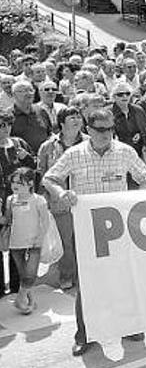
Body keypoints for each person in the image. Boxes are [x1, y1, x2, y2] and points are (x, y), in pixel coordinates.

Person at [42, 108, 146, 356]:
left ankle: (130, 326)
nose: (106, 134)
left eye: (110, 129)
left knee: (124, 278)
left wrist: (134, 202)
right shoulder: (74, 154)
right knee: (87, 284)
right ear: (89, 130)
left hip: (118, 229)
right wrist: (62, 193)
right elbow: (49, 179)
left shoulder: (125, 151)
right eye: (100, 130)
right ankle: (84, 335)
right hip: (86, 229)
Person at [36, 107, 87, 290]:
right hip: (59, 203)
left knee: (85, 240)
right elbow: (41, 175)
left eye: (78, 116)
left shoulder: (90, 142)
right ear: (62, 123)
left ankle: (86, 275)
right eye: (71, 117)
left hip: (85, 200)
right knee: (65, 241)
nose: (76, 120)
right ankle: (67, 276)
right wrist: (44, 202)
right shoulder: (48, 146)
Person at [6, 167, 52, 314]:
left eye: (19, 182)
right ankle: (30, 301)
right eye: (13, 182)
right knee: (24, 276)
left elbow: (45, 222)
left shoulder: (39, 200)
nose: (15, 185)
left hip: (34, 244)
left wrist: (39, 239)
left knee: (30, 276)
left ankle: (20, 300)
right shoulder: (10, 199)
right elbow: (7, 220)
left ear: (31, 183)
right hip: (15, 243)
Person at [0, 110, 36, 297]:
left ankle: (16, 286)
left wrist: (27, 158)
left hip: (19, 202)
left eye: (7, 124)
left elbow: (33, 169)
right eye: (0, 125)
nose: (4, 129)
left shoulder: (19, 143)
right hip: (1, 203)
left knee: (18, 245)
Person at [11, 80, 51, 153]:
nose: (28, 93)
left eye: (30, 90)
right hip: (21, 160)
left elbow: (49, 133)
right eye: (23, 91)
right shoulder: (8, 116)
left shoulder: (41, 111)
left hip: (43, 157)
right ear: (14, 94)